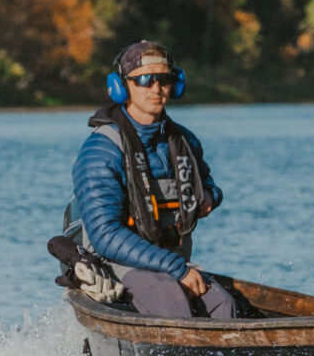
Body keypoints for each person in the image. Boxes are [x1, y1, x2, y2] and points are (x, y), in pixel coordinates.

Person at [61, 40, 238, 319]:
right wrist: (176, 269)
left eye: (164, 80)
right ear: (122, 87)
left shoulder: (185, 141)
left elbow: (210, 186)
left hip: (167, 262)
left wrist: (209, 197)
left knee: (222, 304)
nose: (156, 88)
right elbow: (106, 236)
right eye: (144, 79)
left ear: (176, 84)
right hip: (112, 261)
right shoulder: (100, 151)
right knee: (169, 300)